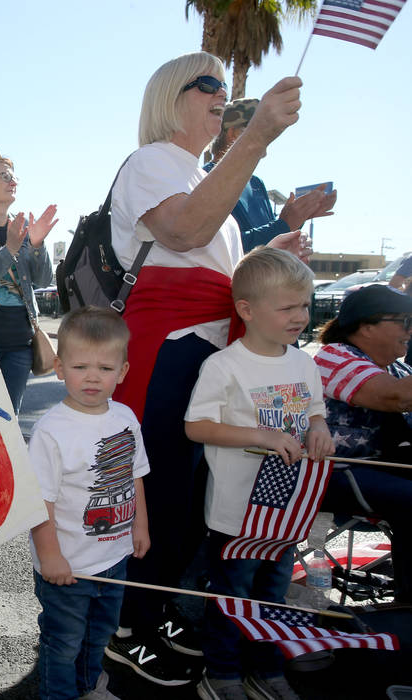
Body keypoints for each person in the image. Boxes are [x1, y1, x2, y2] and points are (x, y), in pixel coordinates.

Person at [104, 51, 310, 686]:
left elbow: (209, 261)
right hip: (166, 348)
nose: (222, 95)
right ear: (172, 96)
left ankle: (154, 612)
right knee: (158, 492)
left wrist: (271, 250)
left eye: (225, 86)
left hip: (206, 353)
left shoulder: (192, 171)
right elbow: (186, 230)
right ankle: (127, 631)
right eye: (209, 85)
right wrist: (256, 138)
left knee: (189, 499)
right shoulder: (149, 163)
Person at [185, 248, 333, 700]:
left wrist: (320, 428)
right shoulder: (224, 366)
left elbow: (314, 412)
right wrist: (265, 436)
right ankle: (223, 673)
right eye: (287, 307)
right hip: (236, 514)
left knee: (272, 594)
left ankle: (265, 669)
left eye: (304, 305)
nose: (300, 316)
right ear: (246, 310)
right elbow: (197, 426)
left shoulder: (304, 363)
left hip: (285, 514)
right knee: (233, 595)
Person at [28, 306, 149, 700]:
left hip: (115, 558)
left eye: (105, 367)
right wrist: (51, 558)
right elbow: (39, 502)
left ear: (123, 372)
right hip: (68, 565)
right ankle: (59, 694)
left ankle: (86, 686)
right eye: (81, 367)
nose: (93, 377)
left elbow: (135, 476)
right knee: (63, 643)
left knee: (99, 634)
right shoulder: (51, 431)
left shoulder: (126, 418)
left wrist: (140, 526)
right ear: (60, 369)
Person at [314, 284, 412, 603]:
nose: (409, 330)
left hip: (369, 468)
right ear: (367, 326)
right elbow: (395, 396)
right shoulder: (335, 356)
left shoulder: (395, 367)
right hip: (327, 473)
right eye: (404, 321)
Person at [0, 151, 57, 412]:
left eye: (13, 176)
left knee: (10, 419)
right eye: (4, 175)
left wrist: (37, 245)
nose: (12, 181)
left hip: (21, 345)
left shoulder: (22, 226)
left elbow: (42, 280)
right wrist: (11, 249)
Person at [205, 98, 337, 252]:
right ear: (234, 134)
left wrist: (297, 220)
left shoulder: (255, 184)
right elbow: (225, 247)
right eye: (263, 132)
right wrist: (285, 224)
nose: (268, 139)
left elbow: (269, 243)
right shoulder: (206, 180)